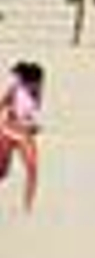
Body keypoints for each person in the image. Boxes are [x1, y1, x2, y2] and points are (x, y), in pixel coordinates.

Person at [0, 61, 45, 213]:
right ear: (29, 81)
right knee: (3, 171)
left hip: (25, 135)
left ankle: (27, 207)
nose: (39, 85)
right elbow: (2, 105)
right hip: (7, 131)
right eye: (37, 82)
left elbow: (32, 115)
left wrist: (34, 126)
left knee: (32, 169)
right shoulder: (15, 89)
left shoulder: (38, 92)